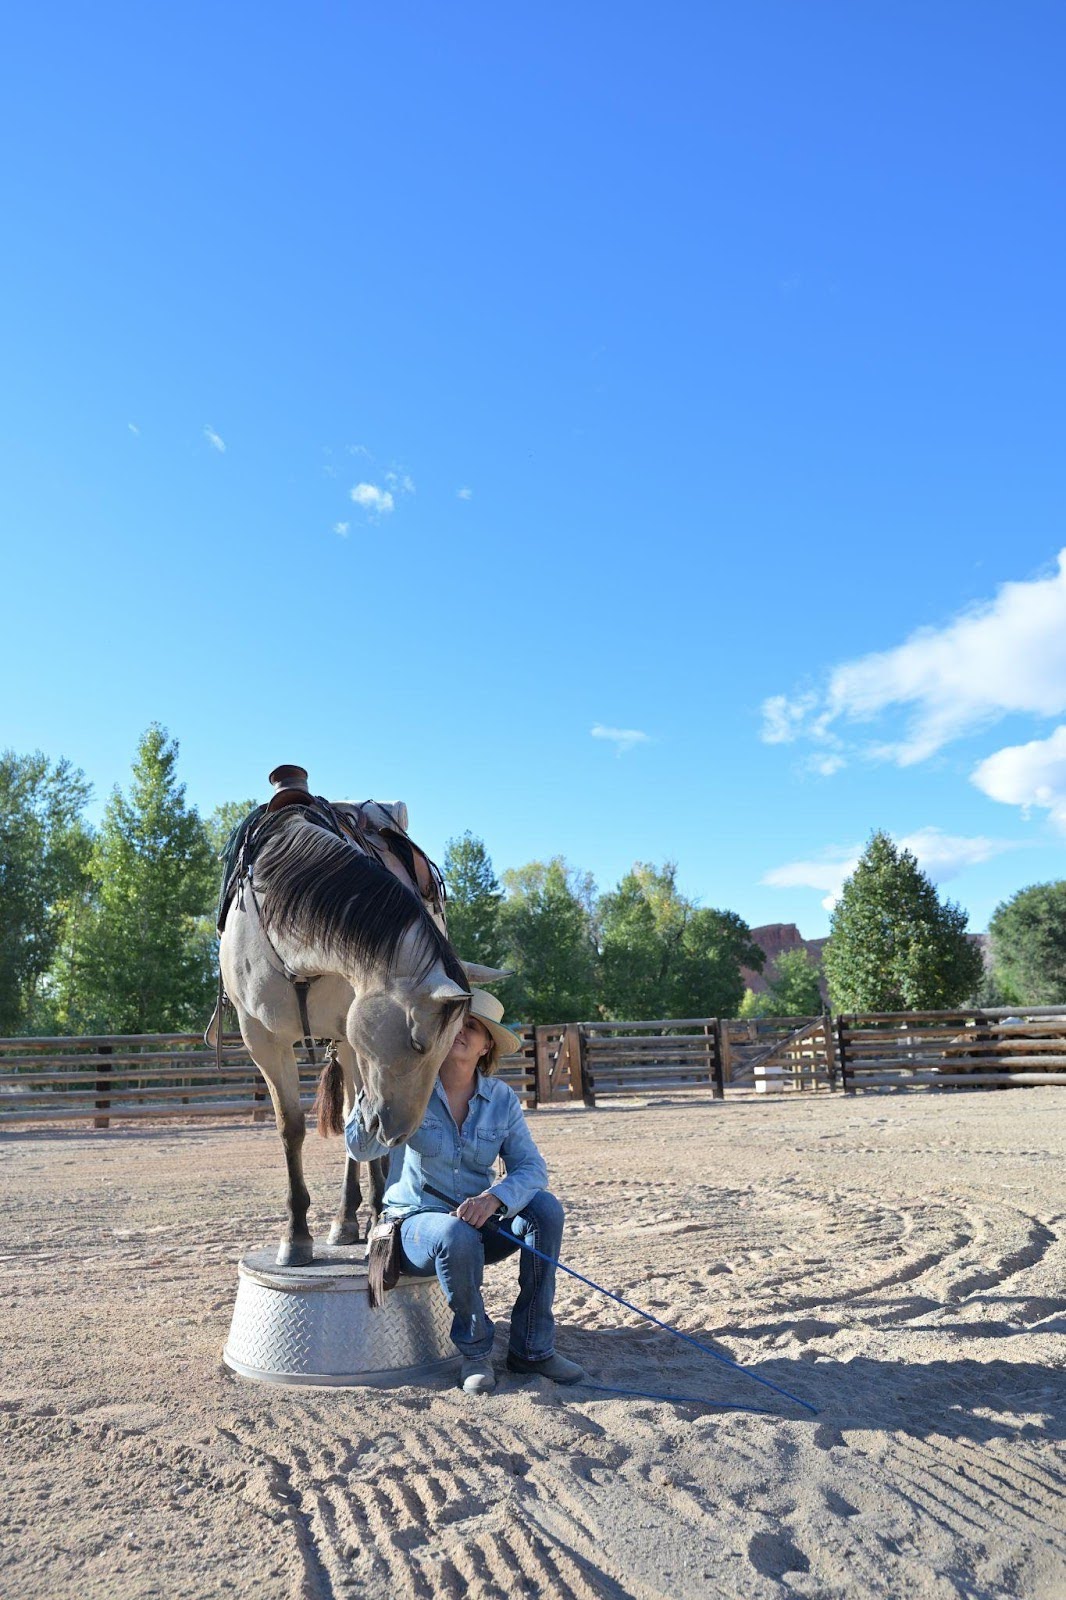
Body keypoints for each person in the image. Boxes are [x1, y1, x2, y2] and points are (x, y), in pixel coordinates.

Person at [344, 988, 585, 1395]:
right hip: (413, 1229)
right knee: (452, 1234)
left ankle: (532, 1347)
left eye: (471, 1026)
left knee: (545, 1210)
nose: (460, 1031)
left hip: (476, 1223)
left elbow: (531, 1168)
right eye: (454, 1023)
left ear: (487, 1044)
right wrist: (377, 1089)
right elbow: (360, 1148)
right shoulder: (408, 1086)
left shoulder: (501, 1099)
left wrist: (495, 1198)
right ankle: (475, 1353)